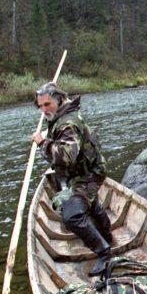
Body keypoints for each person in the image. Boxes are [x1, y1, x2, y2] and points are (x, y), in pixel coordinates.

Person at [33, 82, 112, 278]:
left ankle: (104, 252)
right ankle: (107, 235)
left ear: (59, 100)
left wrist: (42, 142)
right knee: (88, 202)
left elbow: (66, 156)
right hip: (82, 171)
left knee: (72, 216)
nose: (43, 110)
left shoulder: (67, 123)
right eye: (40, 106)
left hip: (88, 174)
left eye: (47, 104)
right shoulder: (62, 116)